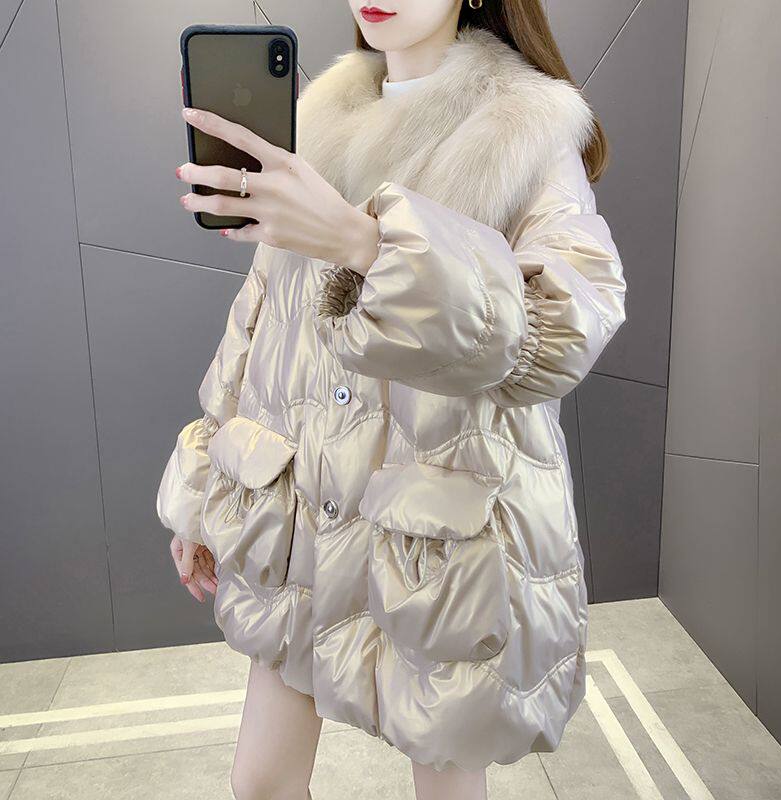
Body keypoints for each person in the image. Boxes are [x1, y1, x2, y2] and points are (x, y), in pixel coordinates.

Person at [157, 0, 627, 797]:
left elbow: (562, 329)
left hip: (433, 544)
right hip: (302, 521)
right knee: (260, 784)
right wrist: (201, 498)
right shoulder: (317, 121)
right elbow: (256, 327)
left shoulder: (526, 129)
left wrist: (365, 243)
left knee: (444, 782)